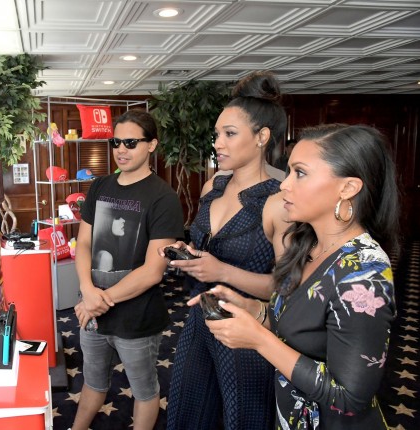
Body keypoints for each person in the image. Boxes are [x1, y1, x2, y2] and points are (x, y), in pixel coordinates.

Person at [200, 123, 399, 429]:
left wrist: (259, 340)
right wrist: (253, 309)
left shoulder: (364, 271)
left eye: (300, 173)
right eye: (289, 171)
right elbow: (298, 326)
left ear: (347, 188)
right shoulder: (307, 244)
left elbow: (350, 398)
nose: (285, 185)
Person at [163, 71, 291, 429]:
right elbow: (204, 248)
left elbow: (287, 290)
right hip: (200, 318)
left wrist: (221, 271)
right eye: (217, 134)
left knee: (243, 420)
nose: (218, 143)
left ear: (262, 137)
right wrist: (187, 254)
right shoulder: (213, 187)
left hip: (247, 331)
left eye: (230, 134)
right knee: (187, 414)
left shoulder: (279, 202)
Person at [71, 109, 185, 430]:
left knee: (144, 390)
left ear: (152, 145)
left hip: (137, 318)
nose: (121, 149)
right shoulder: (100, 186)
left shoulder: (163, 198)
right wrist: (88, 292)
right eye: (116, 142)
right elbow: (83, 244)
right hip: (92, 310)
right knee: (92, 381)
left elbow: (153, 271)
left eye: (131, 143)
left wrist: (96, 300)